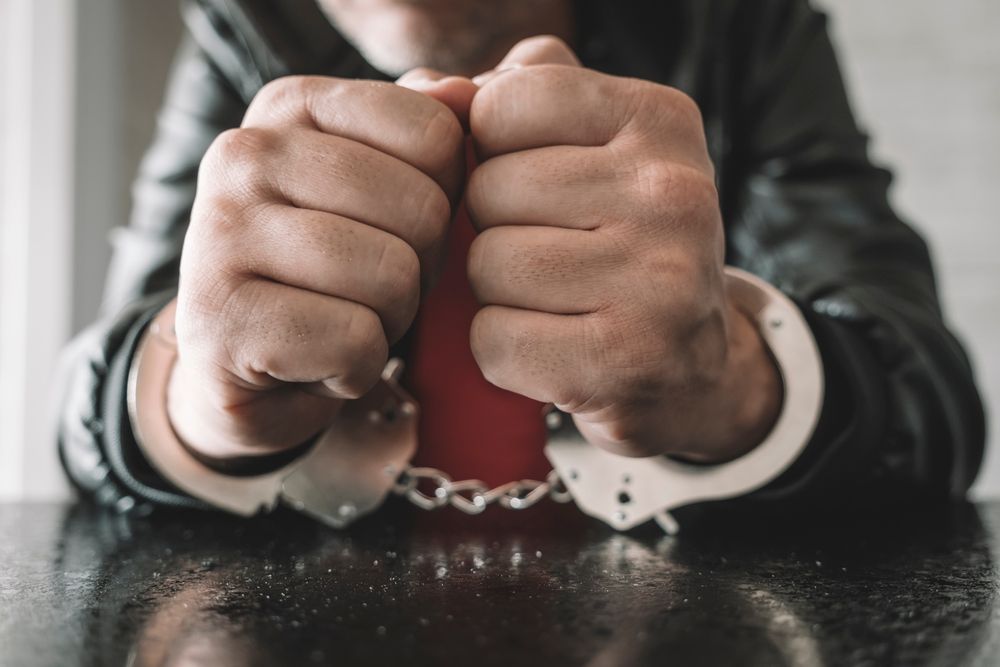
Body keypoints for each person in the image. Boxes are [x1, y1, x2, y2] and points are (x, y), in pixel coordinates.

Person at [56, 0, 986, 524]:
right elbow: (94, 400)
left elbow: (929, 403)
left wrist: (729, 379)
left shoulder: (738, 22)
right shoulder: (253, 22)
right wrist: (201, 399)